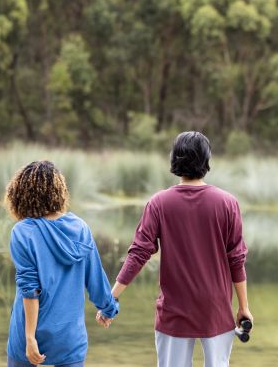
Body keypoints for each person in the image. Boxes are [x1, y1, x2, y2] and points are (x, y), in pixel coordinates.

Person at [98, 131, 252, 367]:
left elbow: (138, 254)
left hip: (174, 312)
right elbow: (237, 260)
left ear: (174, 160)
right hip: (216, 310)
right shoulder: (227, 203)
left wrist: (111, 299)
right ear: (206, 161)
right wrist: (243, 307)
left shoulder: (158, 203)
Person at [5, 160, 119, 367]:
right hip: (69, 338)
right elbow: (95, 278)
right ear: (59, 191)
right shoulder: (80, 228)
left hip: (27, 333)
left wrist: (30, 338)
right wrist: (108, 308)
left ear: (21, 193)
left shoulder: (23, 232)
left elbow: (29, 289)